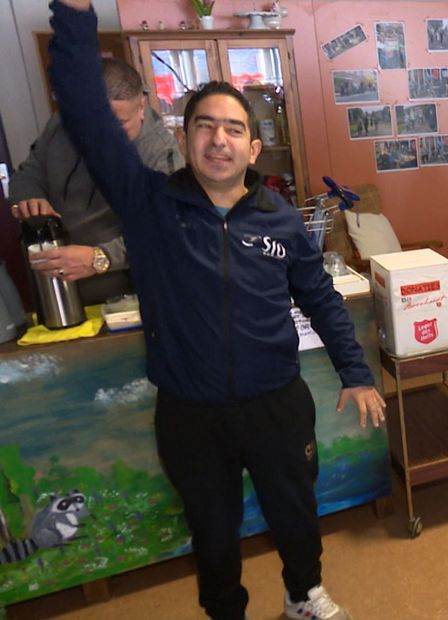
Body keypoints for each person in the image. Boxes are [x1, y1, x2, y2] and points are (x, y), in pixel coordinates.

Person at [49, 2, 386, 619]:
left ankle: (301, 596)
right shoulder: (149, 205)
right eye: (204, 126)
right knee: (213, 530)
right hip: (190, 411)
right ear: (183, 138)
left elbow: (319, 299)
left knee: (295, 513)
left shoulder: (281, 219)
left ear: (254, 147)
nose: (218, 139)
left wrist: (357, 373)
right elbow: (86, 114)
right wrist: (74, 16)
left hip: (275, 402)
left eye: (233, 129)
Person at [9, 57, 183, 305]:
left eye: (119, 124)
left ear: (141, 106)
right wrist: (29, 194)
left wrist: (99, 258)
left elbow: (165, 233)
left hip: (125, 297)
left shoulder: (160, 155)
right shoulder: (63, 122)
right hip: (55, 289)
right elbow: (29, 172)